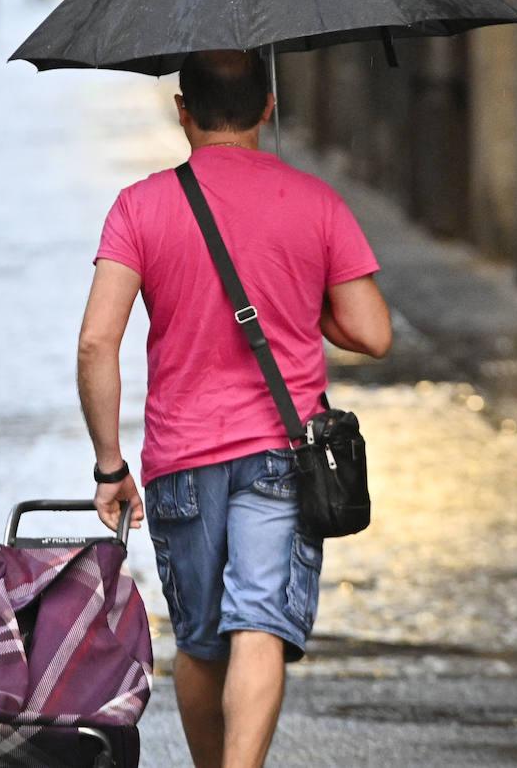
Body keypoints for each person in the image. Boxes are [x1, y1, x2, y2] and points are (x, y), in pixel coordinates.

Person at [78, 49, 392, 767]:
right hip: (282, 452)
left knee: (200, 641)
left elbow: (97, 342)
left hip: (180, 460)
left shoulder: (139, 206)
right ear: (268, 108)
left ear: (182, 110)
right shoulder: (316, 202)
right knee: (260, 624)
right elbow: (374, 332)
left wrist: (109, 466)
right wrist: (306, 301)